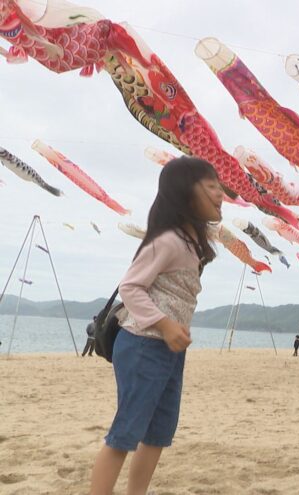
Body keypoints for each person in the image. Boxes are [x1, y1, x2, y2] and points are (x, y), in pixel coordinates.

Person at [89, 157, 223, 495]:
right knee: (125, 432)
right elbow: (130, 287)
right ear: (184, 194)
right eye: (211, 186)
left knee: (159, 432)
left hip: (168, 349)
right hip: (142, 344)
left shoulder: (191, 244)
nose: (221, 193)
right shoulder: (167, 241)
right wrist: (164, 325)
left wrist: (172, 330)